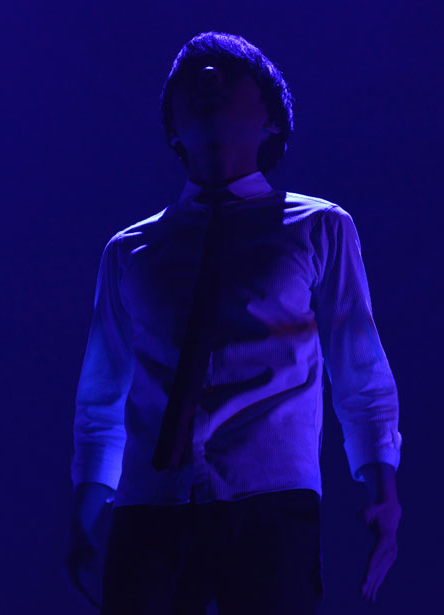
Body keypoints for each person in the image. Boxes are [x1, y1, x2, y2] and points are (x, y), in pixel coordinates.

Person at [65, 31, 402, 614]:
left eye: (228, 72)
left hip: (268, 501)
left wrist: (383, 488)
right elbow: (104, 393)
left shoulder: (318, 227)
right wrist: (85, 512)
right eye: (192, 77)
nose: (208, 80)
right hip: (151, 509)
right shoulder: (130, 251)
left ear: (272, 120)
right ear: (172, 129)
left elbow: (358, 367)